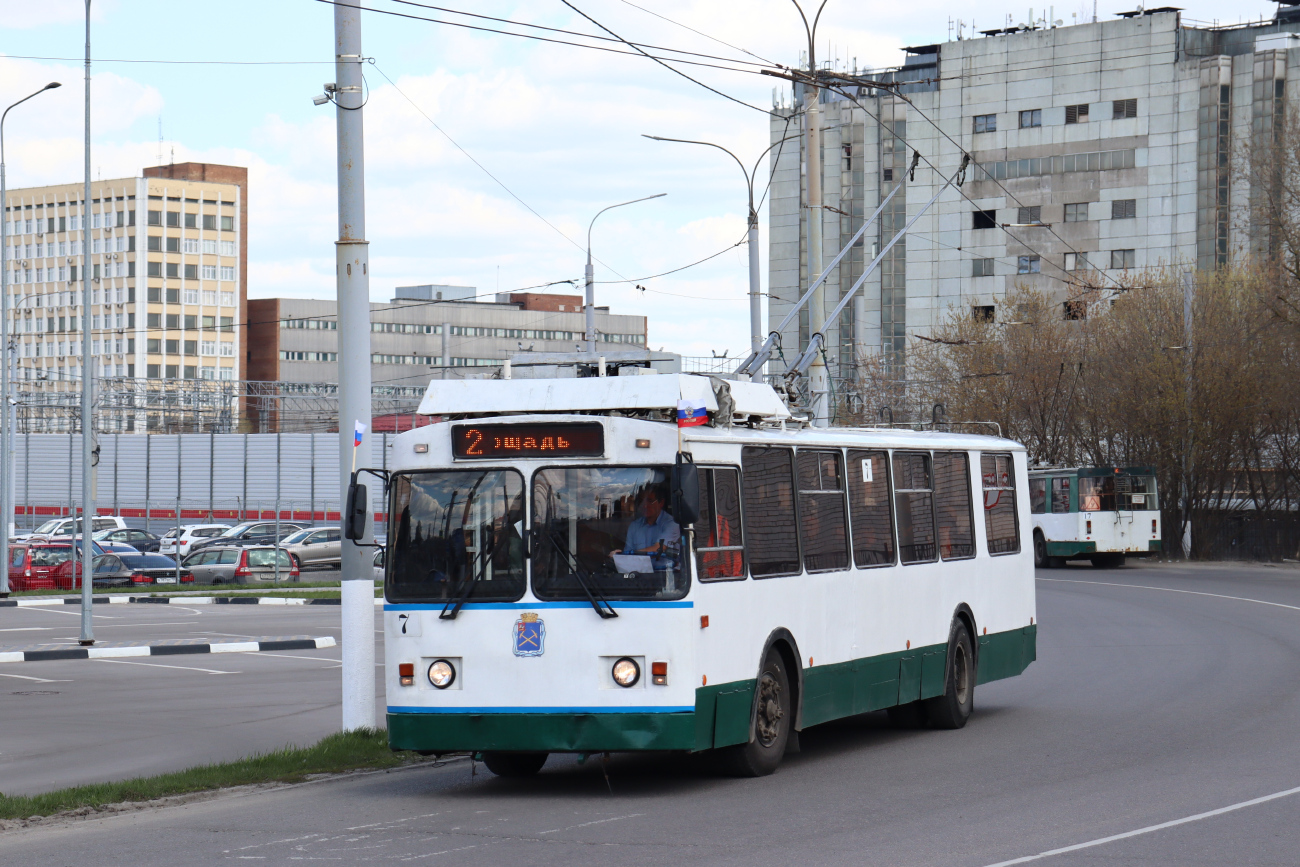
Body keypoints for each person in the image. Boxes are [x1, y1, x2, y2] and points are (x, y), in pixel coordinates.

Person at [613, 483, 680, 568]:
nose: (644, 505)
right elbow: (628, 554)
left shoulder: (672, 524)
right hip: (639, 575)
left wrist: (625, 556)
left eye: (650, 501)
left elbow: (658, 549)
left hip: (666, 576)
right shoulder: (634, 526)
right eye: (642, 501)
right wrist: (619, 556)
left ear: (661, 503)